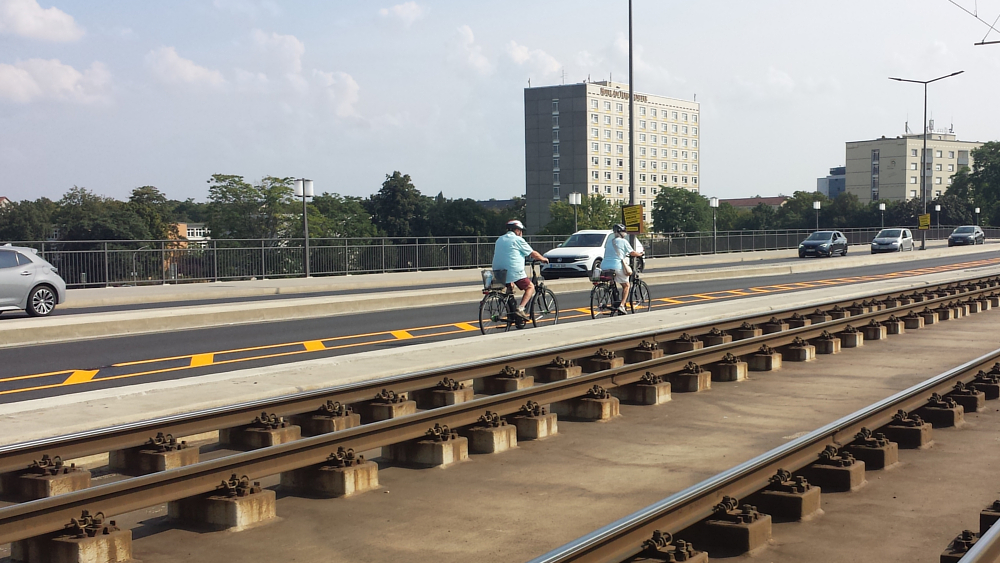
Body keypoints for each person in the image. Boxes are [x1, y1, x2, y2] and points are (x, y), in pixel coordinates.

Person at [492, 219, 549, 318]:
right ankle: (521, 309)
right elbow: (532, 253)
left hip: (498, 271)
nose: (521, 233)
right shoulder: (518, 240)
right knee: (530, 287)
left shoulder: (499, 239)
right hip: (513, 271)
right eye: (521, 231)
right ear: (517, 230)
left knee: (510, 287)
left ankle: (511, 312)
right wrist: (543, 259)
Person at [602, 223, 644, 315]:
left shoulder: (609, 242)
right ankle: (621, 306)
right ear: (621, 233)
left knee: (612, 282)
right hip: (616, 266)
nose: (625, 233)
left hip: (604, 266)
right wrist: (640, 254)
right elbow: (632, 252)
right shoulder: (623, 241)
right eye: (624, 231)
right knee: (626, 285)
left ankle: (613, 301)